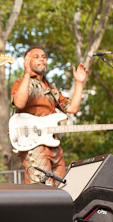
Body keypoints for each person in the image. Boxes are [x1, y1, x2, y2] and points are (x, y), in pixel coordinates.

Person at [11, 46, 87, 186]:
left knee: (63, 188)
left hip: (54, 146)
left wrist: (79, 82)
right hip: (35, 147)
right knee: (43, 193)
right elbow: (19, 103)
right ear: (27, 60)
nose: (42, 59)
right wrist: (27, 73)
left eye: (44, 57)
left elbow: (72, 108)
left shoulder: (51, 89)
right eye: (36, 56)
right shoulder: (21, 83)